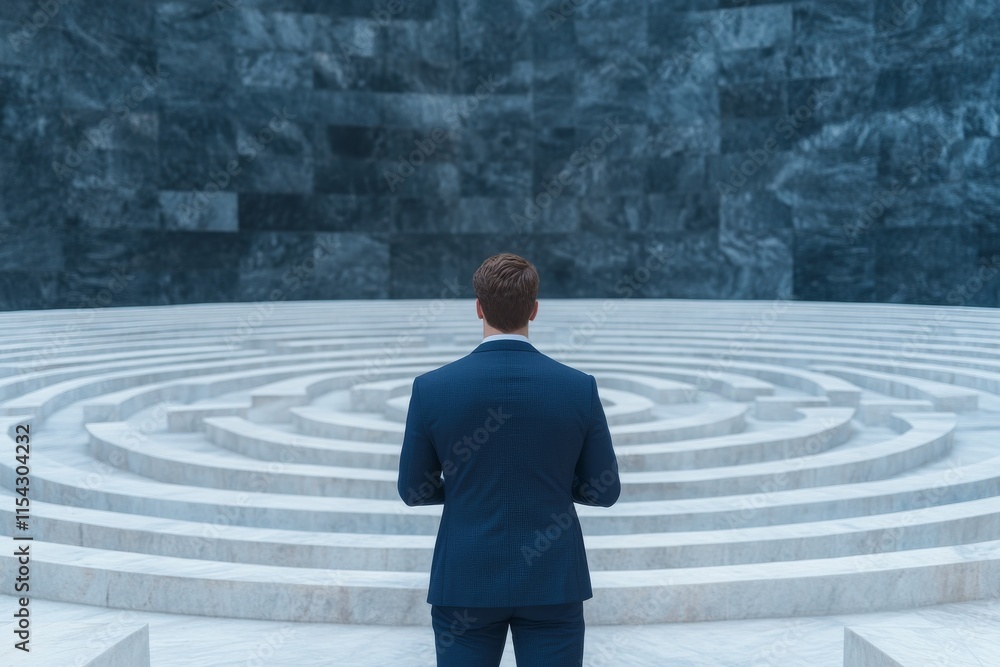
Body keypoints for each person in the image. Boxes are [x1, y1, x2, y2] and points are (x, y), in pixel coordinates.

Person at [397, 252, 621, 666]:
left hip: (465, 579)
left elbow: (414, 491)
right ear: (534, 309)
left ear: (478, 308)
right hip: (553, 580)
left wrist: (464, 486)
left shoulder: (432, 388)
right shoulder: (578, 387)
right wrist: (555, 483)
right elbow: (604, 491)